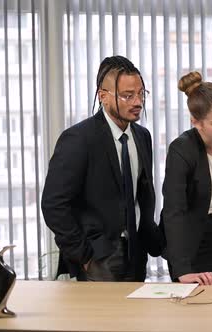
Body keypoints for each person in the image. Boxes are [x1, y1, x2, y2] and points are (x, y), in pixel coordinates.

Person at [41, 55, 164, 282]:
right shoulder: (78, 139)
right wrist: (84, 256)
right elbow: (53, 204)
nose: (137, 102)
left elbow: (143, 195)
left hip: (137, 252)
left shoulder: (142, 136)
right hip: (98, 255)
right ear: (103, 96)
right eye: (128, 95)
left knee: (136, 318)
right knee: (102, 318)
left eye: (140, 94)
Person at [161, 71, 212, 285]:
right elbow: (174, 210)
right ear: (197, 122)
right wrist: (182, 269)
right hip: (185, 239)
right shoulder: (182, 150)